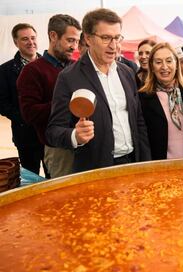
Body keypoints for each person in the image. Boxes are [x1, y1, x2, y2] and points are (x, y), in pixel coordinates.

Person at [46, 8, 151, 173]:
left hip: (133, 163)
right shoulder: (68, 77)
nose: (114, 46)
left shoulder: (127, 72)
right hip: (96, 168)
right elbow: (54, 131)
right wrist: (75, 136)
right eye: (106, 38)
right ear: (88, 38)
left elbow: (138, 121)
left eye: (117, 38)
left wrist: (145, 161)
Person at [17, 14, 81, 178]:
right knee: (65, 199)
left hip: (85, 142)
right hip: (59, 149)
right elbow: (29, 113)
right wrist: (68, 104)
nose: (74, 46)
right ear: (53, 36)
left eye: (76, 41)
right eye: (70, 40)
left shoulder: (76, 67)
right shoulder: (32, 71)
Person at [138, 43, 183, 160]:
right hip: (161, 167)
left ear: (176, 64)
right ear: (152, 66)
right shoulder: (143, 97)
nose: (164, 67)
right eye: (158, 62)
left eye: (169, 61)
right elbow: (143, 138)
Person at [0, 23, 45, 175]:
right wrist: (25, 118)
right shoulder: (4, 71)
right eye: (25, 39)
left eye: (33, 38)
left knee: (54, 177)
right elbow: (3, 104)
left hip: (50, 134)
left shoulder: (49, 65)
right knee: (30, 178)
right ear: (16, 42)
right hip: (25, 136)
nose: (31, 42)